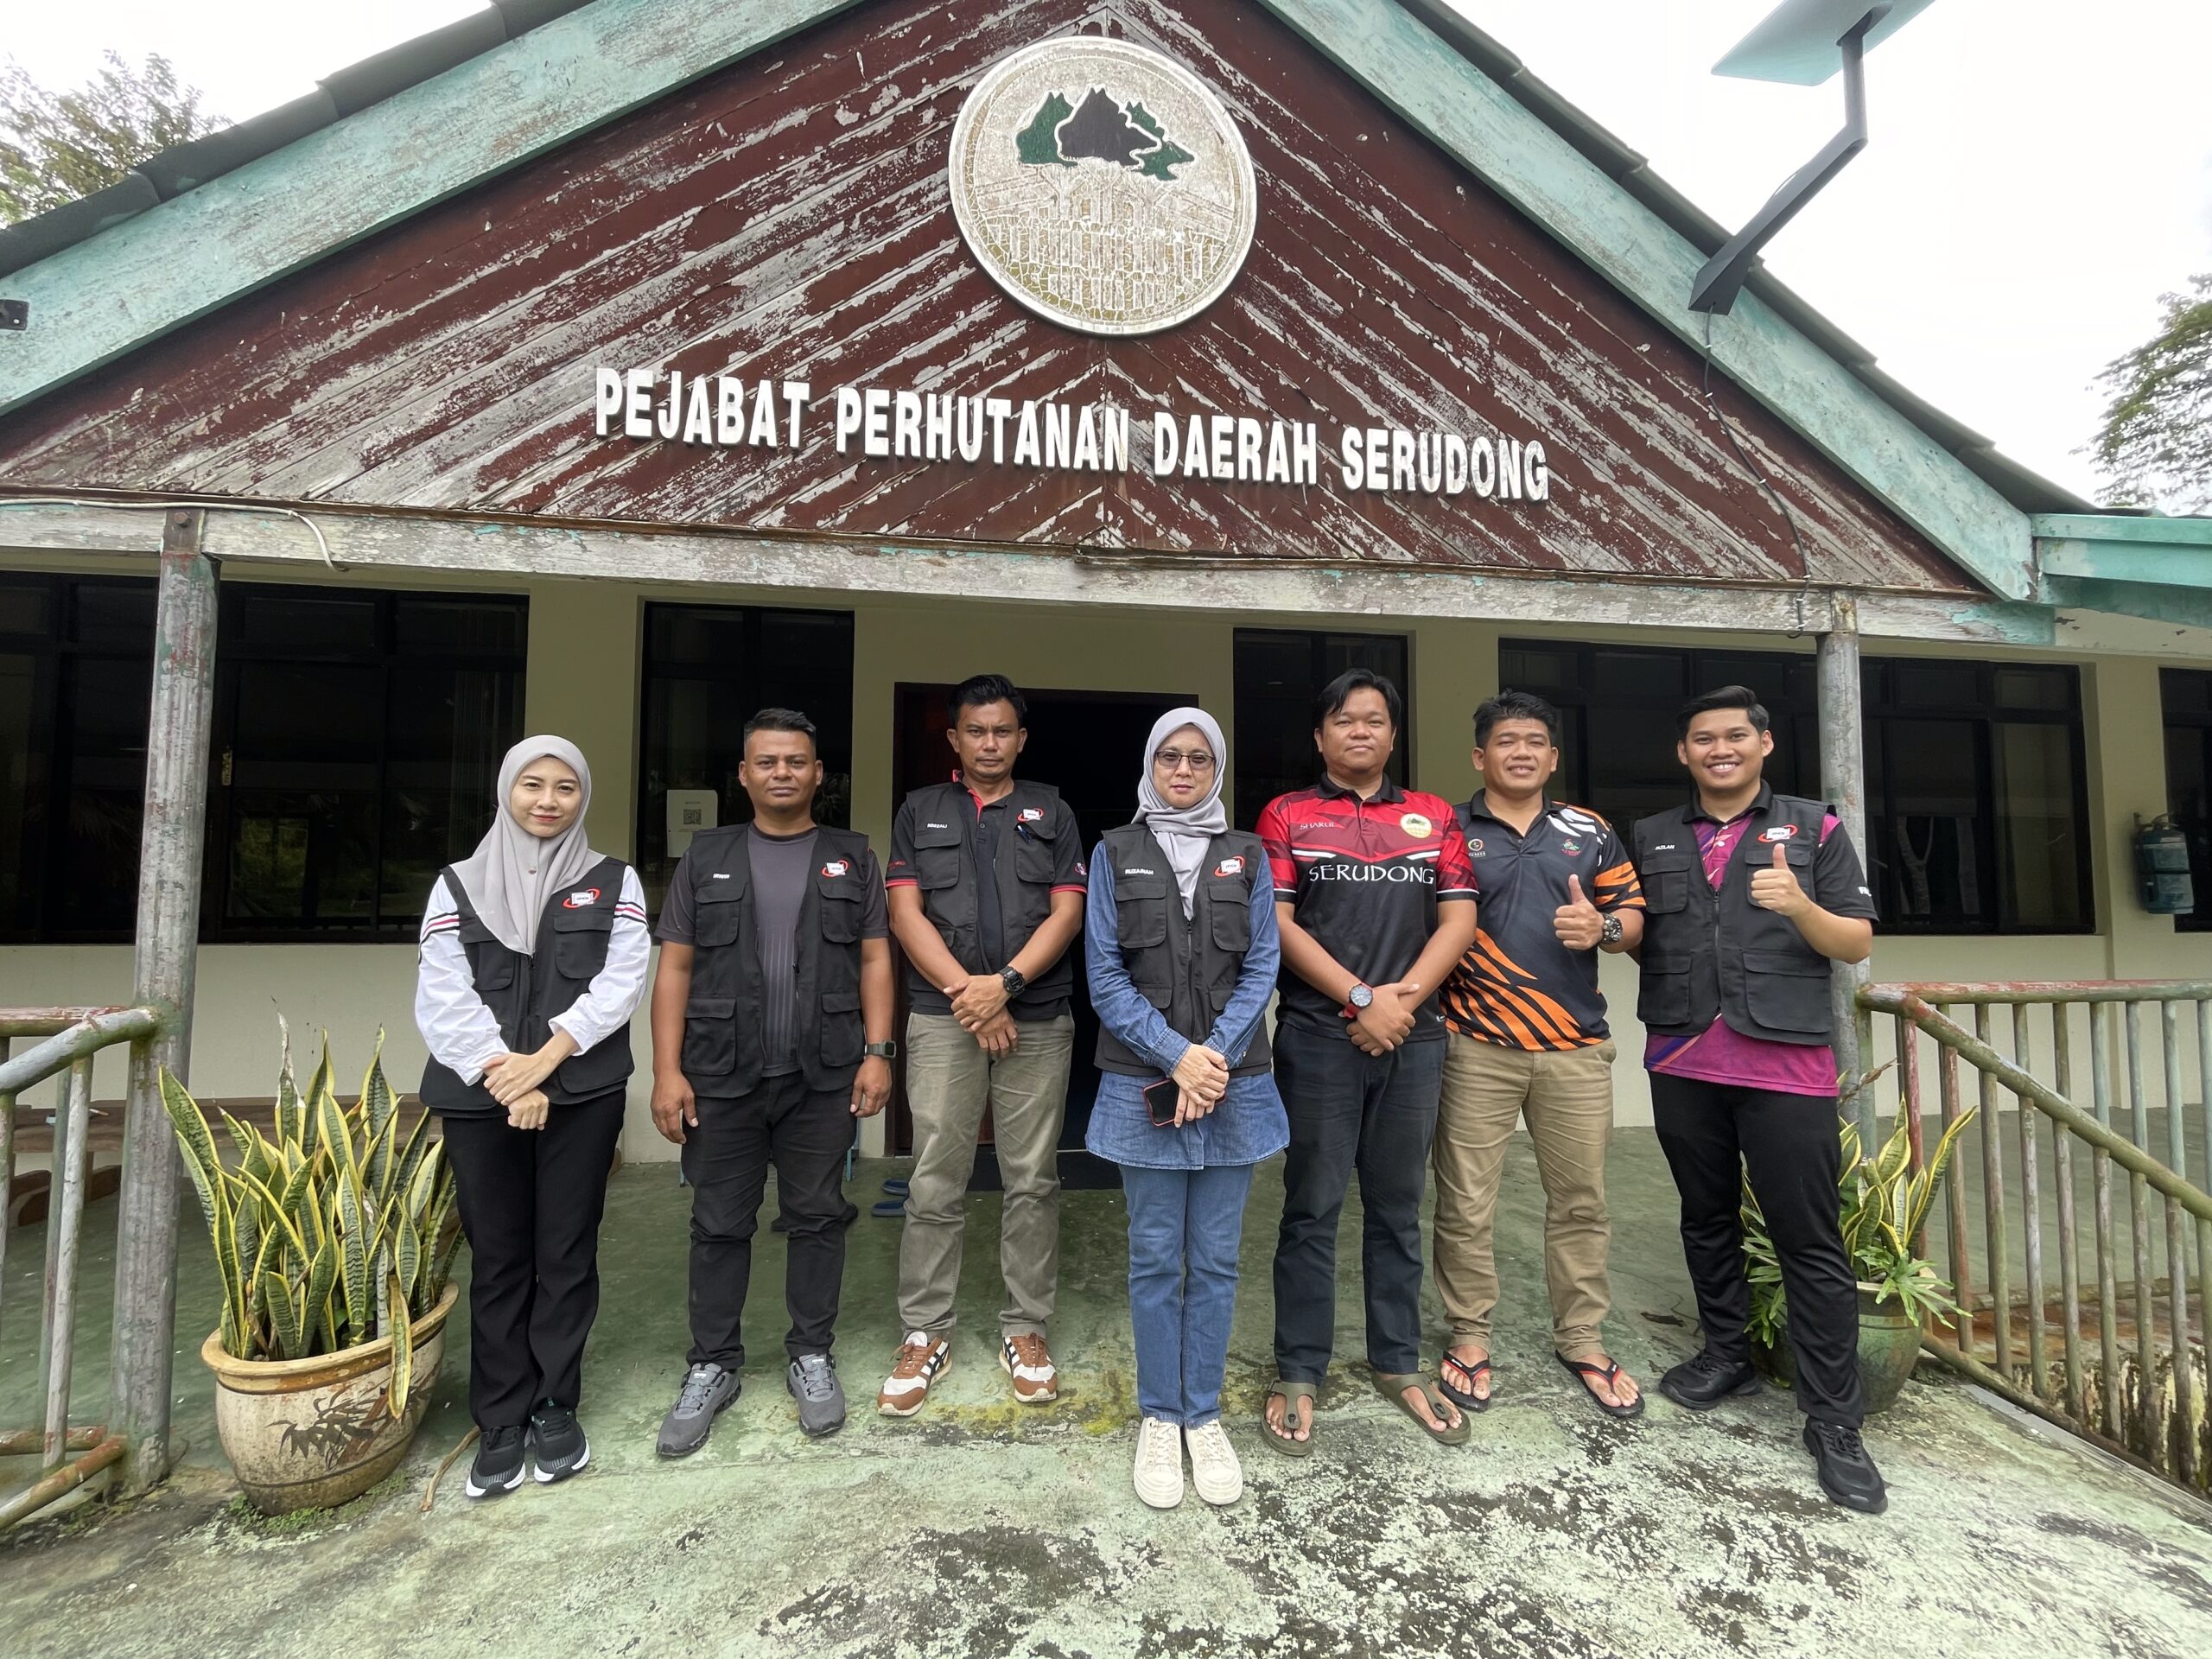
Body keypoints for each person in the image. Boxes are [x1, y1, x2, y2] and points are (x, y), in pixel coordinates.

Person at [1631, 684, 1886, 1514]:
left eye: (1735, 736)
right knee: (1705, 1218)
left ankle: (1834, 1420)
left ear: (1764, 743)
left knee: (1808, 1242)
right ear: (1684, 752)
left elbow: (1855, 941)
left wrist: (1800, 905)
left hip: (1784, 1066)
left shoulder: (1815, 829)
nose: (1720, 750)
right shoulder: (1653, 834)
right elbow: (1645, 936)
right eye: (1703, 739)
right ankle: (1727, 1355)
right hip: (1682, 1057)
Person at [649, 709, 894, 1454]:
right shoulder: (706, 857)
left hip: (823, 1075)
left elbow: (876, 958)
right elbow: (676, 968)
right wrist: (666, 1071)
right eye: (767, 761)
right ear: (744, 774)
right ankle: (712, 1364)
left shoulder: (853, 857)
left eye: (795, 761)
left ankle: (811, 1354)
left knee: (817, 1218)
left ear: (819, 774)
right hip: (721, 1074)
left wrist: (878, 1052)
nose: (781, 772)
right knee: (719, 1223)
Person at [415, 737, 648, 1500]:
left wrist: (543, 1063)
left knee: (567, 1252)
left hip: (580, 1092)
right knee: (500, 1255)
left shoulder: (613, 881)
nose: (548, 801)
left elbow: (621, 983)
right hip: (480, 1095)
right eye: (533, 785)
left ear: (584, 798)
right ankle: (500, 1418)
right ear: (506, 791)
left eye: (566, 788)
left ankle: (554, 1405)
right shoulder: (456, 885)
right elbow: (442, 991)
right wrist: (505, 1076)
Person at [1255, 669, 1478, 1453]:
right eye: (1345, 720)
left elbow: (1458, 920)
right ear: (1320, 736)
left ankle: (1396, 1360)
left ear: (1393, 734)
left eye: (1375, 720)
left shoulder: (1434, 815)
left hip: (1414, 1038)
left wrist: (1398, 1004)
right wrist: (1359, 1000)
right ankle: (1299, 1368)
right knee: (1311, 1208)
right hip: (1320, 1037)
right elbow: (1278, 923)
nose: (1361, 731)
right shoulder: (1288, 814)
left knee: (1397, 1208)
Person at [1084, 708, 1288, 1510]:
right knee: (1154, 1260)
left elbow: (1262, 964)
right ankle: (1159, 1416)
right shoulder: (1114, 852)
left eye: (1199, 758)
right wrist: (1178, 1056)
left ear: (1217, 769)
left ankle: (1202, 1414)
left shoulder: (1248, 855)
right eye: (1169, 757)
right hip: (1147, 1083)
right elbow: (1105, 976)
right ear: (1150, 765)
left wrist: (1212, 1059)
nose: (1183, 770)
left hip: (1232, 1086)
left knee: (1215, 1261)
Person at [1433, 690, 1647, 1421]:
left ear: (1552, 758)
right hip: (1474, 1045)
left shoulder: (1590, 830)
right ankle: (1469, 1333)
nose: (1520, 752)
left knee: (1582, 1201)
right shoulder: (1450, 829)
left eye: (1534, 742)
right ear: (1480, 756)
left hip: (1574, 1050)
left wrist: (1604, 929)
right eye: (1505, 741)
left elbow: (1633, 917)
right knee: (1466, 1203)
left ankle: (1581, 1336)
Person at [878, 675, 1087, 1415]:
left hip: (1037, 1016)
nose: (989, 743)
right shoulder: (920, 810)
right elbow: (905, 914)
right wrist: (973, 997)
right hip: (944, 1019)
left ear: (1020, 740)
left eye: (1002, 731)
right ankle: (925, 1330)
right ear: (954, 738)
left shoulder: (1053, 811)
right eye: (976, 730)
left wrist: (1005, 985)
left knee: (1032, 1178)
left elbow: (1067, 913)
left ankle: (1025, 1327)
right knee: (936, 1174)